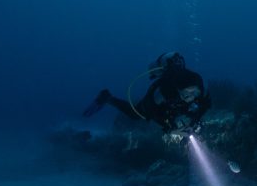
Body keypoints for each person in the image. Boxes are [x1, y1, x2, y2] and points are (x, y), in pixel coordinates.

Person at [83, 52, 211, 134]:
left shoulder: (200, 86)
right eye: (187, 93)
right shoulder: (162, 92)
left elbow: (206, 103)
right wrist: (168, 126)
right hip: (157, 102)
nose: (191, 96)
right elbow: (153, 114)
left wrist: (196, 119)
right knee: (136, 115)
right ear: (178, 90)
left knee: (188, 108)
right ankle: (108, 97)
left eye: (195, 92)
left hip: (176, 98)